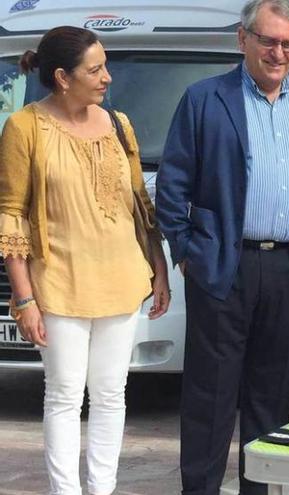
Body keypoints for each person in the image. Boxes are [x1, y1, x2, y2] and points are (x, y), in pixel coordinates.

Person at [155, 0, 289, 493]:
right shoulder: (204, 100)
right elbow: (172, 185)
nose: (278, 53)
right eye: (269, 40)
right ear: (243, 39)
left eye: (288, 44)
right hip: (223, 267)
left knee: (272, 398)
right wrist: (188, 252)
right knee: (210, 396)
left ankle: (260, 488)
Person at [0, 26, 169, 495]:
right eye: (94, 70)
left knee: (112, 395)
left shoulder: (120, 124)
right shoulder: (24, 127)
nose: (107, 78)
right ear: (61, 77)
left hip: (121, 279)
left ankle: (102, 489)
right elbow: (10, 214)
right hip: (57, 284)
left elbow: (141, 205)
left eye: (104, 66)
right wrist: (25, 297)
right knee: (64, 395)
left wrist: (157, 268)